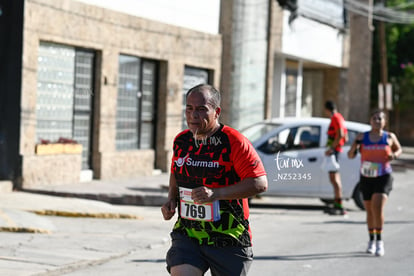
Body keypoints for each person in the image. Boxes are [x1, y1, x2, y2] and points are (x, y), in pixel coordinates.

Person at [161, 84, 268, 276]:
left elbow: (259, 183)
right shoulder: (182, 141)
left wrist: (217, 194)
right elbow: (176, 171)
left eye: (202, 109)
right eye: (189, 108)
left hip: (229, 238)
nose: (194, 115)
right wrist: (171, 199)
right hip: (189, 234)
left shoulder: (234, 141)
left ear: (216, 112)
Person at [348, 110, 402, 256]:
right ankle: (371, 240)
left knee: (377, 207)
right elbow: (351, 155)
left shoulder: (389, 137)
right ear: (370, 121)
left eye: (380, 119)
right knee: (370, 210)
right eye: (374, 118)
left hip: (383, 176)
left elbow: (399, 149)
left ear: (384, 122)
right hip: (366, 176)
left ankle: (379, 241)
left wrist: (394, 155)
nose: (377, 121)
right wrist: (355, 144)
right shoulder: (362, 137)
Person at [324, 100, 348, 215]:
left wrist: (332, 148)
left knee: (335, 179)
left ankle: (339, 206)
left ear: (327, 110)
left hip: (334, 152)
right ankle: (337, 204)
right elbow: (345, 137)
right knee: (334, 179)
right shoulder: (340, 117)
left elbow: (341, 135)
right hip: (336, 151)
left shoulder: (336, 118)